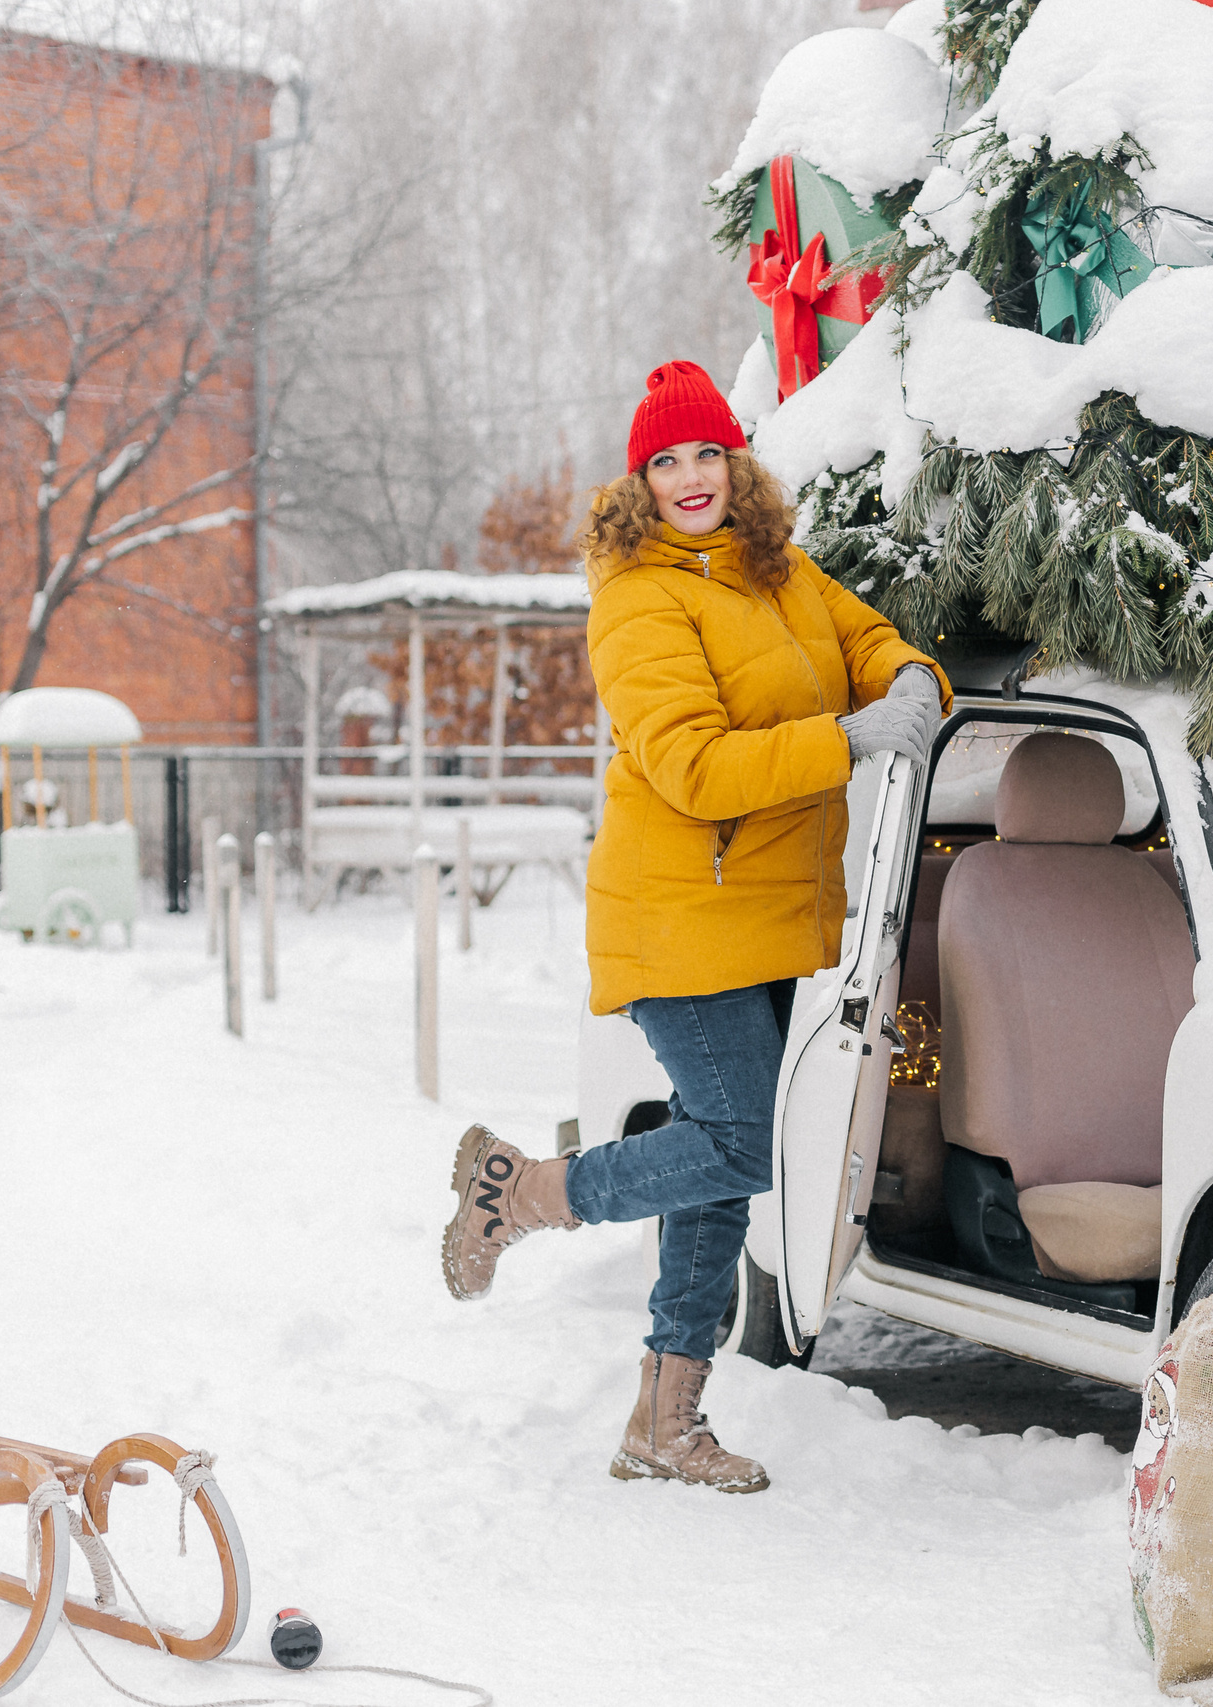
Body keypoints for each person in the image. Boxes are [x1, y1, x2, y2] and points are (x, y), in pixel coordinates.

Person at [438, 359, 948, 1493]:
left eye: (705, 453)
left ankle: (663, 1424)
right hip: (682, 917)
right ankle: (518, 1193)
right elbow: (695, 767)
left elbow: (865, 643)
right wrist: (852, 742)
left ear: (735, 462)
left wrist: (908, 677)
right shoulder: (637, 597)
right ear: (640, 483)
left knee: (716, 1175)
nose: (688, 478)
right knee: (739, 1143)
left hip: (768, 920)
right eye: (664, 461)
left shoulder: (780, 572)